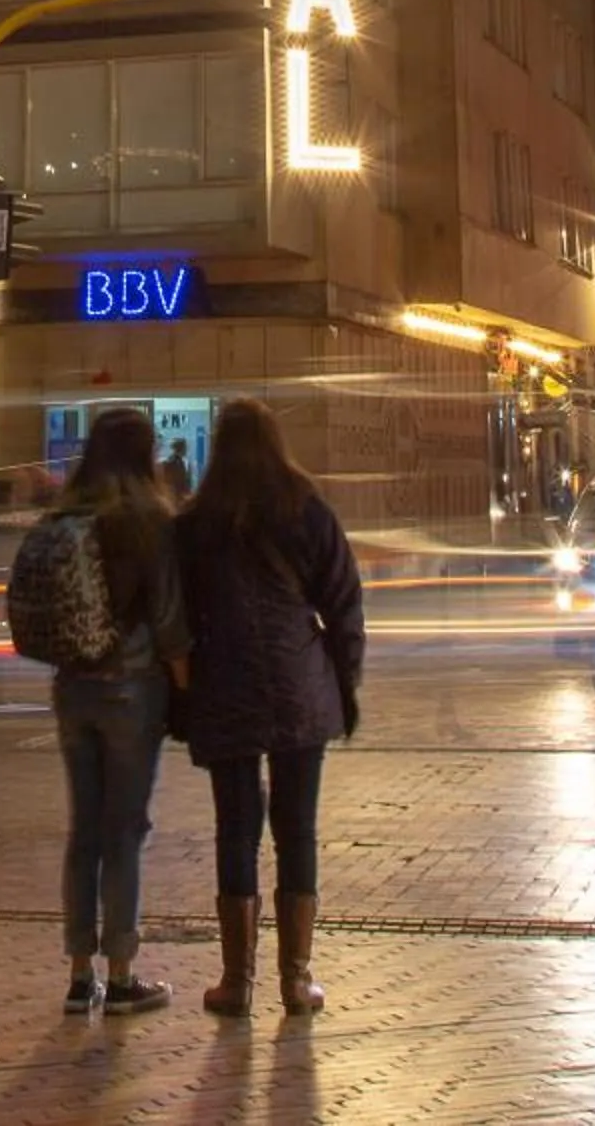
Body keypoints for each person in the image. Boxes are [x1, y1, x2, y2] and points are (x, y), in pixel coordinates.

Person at [175, 397, 363, 1019]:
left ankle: (237, 981)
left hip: (226, 686)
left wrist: (182, 692)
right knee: (296, 828)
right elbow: (343, 603)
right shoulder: (306, 509)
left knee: (235, 828)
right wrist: (344, 682)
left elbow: (177, 616)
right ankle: (296, 979)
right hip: (298, 683)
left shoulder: (196, 521)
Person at [44, 406, 189, 1017]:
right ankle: (123, 972)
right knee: (125, 831)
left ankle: (80, 977)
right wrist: (185, 687)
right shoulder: (153, 521)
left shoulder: (66, 516)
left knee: (85, 830)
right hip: (132, 690)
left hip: (73, 689)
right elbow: (169, 621)